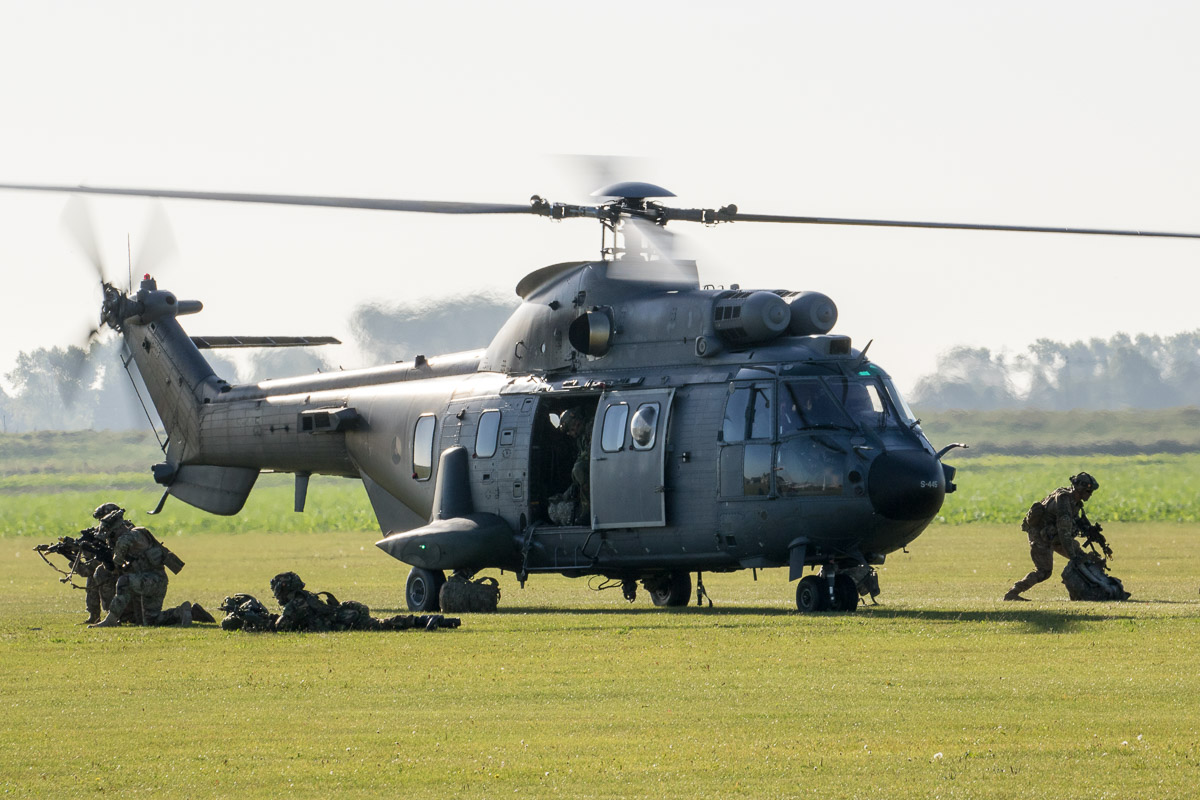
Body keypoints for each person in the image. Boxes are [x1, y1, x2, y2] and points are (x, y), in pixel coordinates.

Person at [89, 509, 213, 627]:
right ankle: (183, 612)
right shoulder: (140, 531)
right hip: (158, 580)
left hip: (149, 581)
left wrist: (104, 558)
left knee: (124, 581)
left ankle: (111, 619)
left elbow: (116, 566)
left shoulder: (124, 540)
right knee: (152, 620)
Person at [1003, 472, 1100, 601]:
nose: (1090, 494)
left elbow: (1074, 523)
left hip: (1053, 535)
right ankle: (1013, 593)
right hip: (1040, 535)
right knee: (1044, 571)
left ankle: (1082, 592)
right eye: (1088, 491)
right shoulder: (1064, 500)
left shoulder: (1074, 502)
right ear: (1080, 489)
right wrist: (1073, 556)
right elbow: (1064, 532)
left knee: (1083, 558)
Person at [264, 572, 456, 632]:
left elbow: (281, 628)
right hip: (345, 617)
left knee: (382, 625)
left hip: (343, 623)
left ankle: (424, 621)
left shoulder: (295, 605)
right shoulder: (309, 597)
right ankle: (423, 620)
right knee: (384, 623)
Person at [558, 407, 592, 525]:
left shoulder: (591, 429)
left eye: (571, 430)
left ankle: (588, 512)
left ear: (576, 423)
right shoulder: (580, 439)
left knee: (579, 470)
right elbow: (580, 456)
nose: (571, 434)